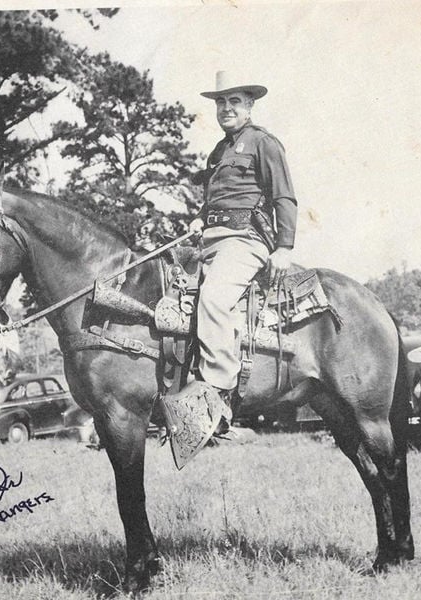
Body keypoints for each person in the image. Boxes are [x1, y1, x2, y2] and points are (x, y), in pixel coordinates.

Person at [165, 71, 298, 434]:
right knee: (165, 295)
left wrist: (284, 247)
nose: (226, 108)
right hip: (209, 240)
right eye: (221, 102)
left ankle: (216, 397)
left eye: (234, 101)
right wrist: (198, 218)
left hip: (245, 241)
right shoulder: (220, 150)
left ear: (250, 105)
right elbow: (215, 199)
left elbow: (283, 196)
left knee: (213, 298)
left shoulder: (263, 143)